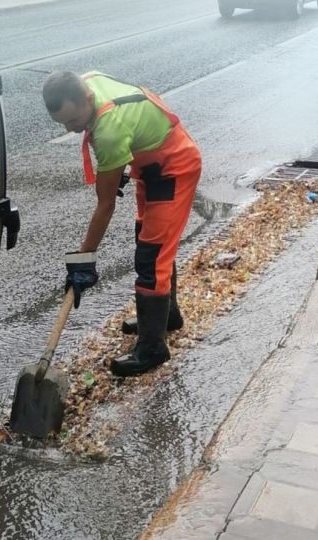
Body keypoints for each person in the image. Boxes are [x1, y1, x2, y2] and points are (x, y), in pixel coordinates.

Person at [42, 71, 202, 377]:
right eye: (62, 123)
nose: (71, 129)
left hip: (174, 168)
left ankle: (153, 348)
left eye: (74, 121)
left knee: (151, 256)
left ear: (87, 99)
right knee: (148, 241)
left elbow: (105, 206)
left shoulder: (109, 131)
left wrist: (83, 259)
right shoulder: (86, 81)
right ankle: (167, 316)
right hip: (150, 167)